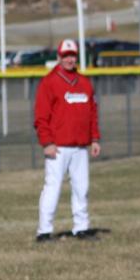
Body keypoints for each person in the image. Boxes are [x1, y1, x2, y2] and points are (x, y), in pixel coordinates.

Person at [33, 38, 102, 242]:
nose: (70, 59)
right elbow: (41, 117)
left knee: (82, 188)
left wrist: (95, 139)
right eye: (66, 56)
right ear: (58, 57)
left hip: (80, 146)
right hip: (58, 147)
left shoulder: (84, 83)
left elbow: (92, 113)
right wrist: (47, 142)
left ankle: (81, 227)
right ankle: (44, 231)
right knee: (52, 188)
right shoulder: (49, 82)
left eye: (72, 55)